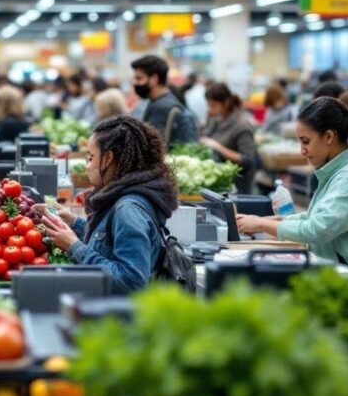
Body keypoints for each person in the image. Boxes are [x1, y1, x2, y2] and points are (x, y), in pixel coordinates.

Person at [235, 97, 348, 271]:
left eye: (306, 141)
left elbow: (316, 229)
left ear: (329, 137)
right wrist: (262, 222)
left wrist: (261, 224)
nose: (302, 151)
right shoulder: (338, 172)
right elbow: (313, 218)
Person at [35, 115, 177, 293]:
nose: (87, 167)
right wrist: (74, 222)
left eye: (90, 158)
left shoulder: (128, 211)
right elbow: (108, 242)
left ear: (108, 158)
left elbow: (131, 282)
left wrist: (73, 246)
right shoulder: (126, 197)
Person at [200, 83, 257, 194]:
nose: (210, 109)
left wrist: (218, 147)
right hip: (219, 182)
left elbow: (247, 160)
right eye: (209, 106)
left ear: (226, 103)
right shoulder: (216, 118)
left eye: (213, 106)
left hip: (237, 185)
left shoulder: (242, 125)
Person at [130, 55, 198, 148]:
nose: (135, 83)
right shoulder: (165, 101)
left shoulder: (161, 107)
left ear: (154, 79)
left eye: (139, 78)